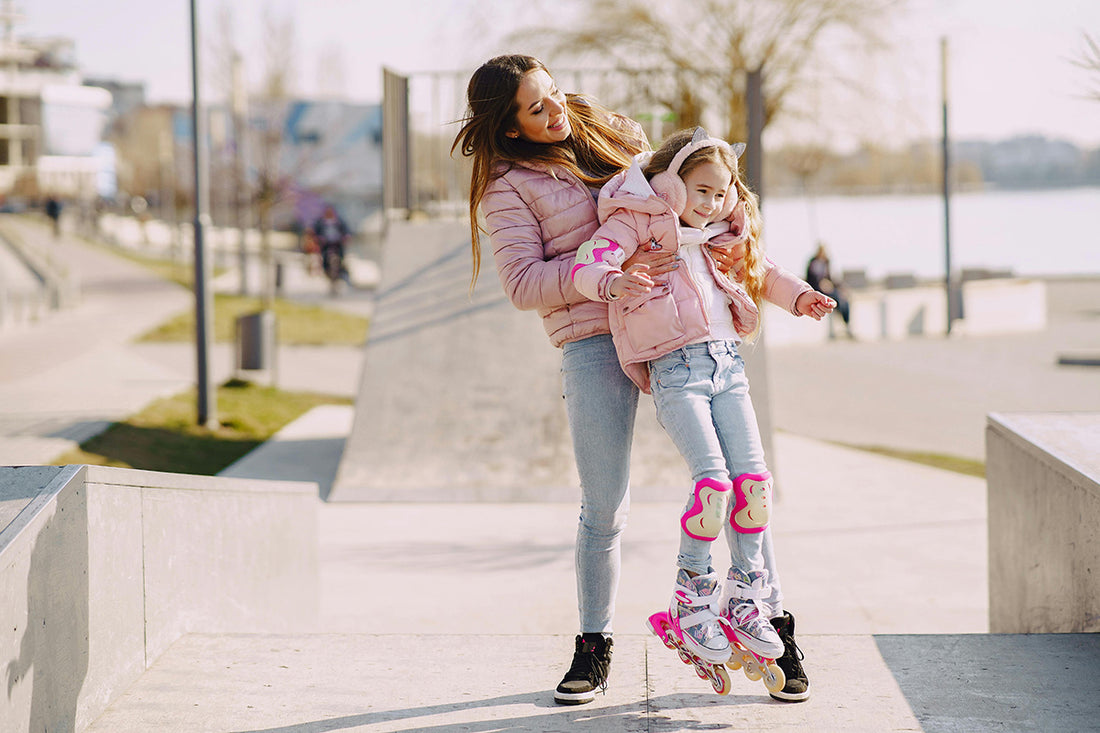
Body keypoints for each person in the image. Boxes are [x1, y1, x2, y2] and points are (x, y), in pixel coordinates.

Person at [451, 54, 795, 705]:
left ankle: (772, 621)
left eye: (553, 93)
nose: (557, 110)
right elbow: (524, 284)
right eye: (537, 107)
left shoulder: (614, 133)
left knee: (741, 480)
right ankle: (593, 643)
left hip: (676, 334)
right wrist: (603, 272)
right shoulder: (508, 188)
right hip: (592, 339)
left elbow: (693, 199)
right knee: (605, 504)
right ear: (512, 126)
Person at [571, 127, 835, 700]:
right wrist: (615, 282)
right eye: (700, 190)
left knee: (754, 487)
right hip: (676, 372)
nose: (711, 203)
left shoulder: (722, 233)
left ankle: (745, 595)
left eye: (721, 193)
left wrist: (800, 298)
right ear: (670, 184)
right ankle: (692, 594)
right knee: (713, 483)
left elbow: (763, 272)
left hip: (728, 368)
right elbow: (585, 268)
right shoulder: (636, 222)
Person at [806, 243, 852, 335]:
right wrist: (821, 284)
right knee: (835, 299)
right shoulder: (813, 262)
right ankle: (842, 322)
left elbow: (831, 278)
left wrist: (842, 288)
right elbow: (811, 279)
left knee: (845, 300)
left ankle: (846, 324)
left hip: (828, 288)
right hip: (818, 289)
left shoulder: (826, 262)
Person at [312, 205, 350, 290]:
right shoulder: (321, 222)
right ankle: (326, 269)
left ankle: (341, 270)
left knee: (341, 257)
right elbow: (315, 232)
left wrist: (346, 237)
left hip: (337, 243)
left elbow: (346, 230)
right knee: (324, 257)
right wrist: (319, 238)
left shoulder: (339, 221)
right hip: (326, 244)